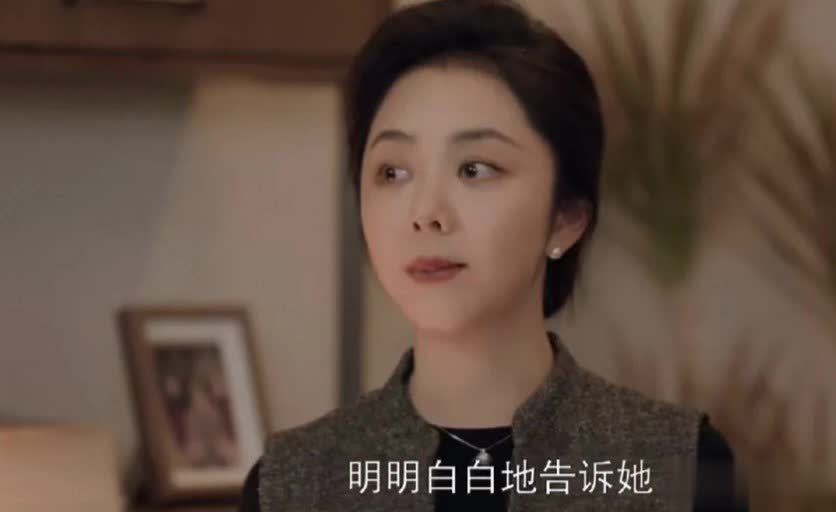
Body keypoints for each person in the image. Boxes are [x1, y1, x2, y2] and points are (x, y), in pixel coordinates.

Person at [239, 0, 748, 510]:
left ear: (566, 216)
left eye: (475, 169)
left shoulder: (679, 467)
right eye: (393, 172)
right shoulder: (291, 485)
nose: (427, 213)